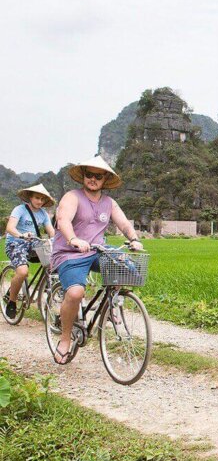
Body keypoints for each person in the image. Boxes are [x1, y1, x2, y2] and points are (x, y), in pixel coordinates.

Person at [50, 156, 143, 364]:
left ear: (105, 179)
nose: (93, 179)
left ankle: (111, 305)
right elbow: (63, 219)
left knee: (126, 267)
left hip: (96, 250)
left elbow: (124, 224)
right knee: (75, 292)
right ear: (83, 177)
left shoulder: (109, 203)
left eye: (98, 176)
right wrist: (73, 239)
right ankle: (65, 339)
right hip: (70, 253)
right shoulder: (72, 197)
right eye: (89, 175)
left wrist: (134, 239)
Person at [3, 184, 56, 319]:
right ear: (30, 197)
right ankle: (12, 301)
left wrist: (56, 241)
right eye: (37, 198)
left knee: (52, 263)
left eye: (42, 199)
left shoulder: (43, 214)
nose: (39, 201)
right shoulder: (19, 209)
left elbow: (51, 232)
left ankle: (49, 288)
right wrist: (21, 235)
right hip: (16, 243)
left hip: (34, 243)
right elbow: (10, 228)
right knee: (22, 272)